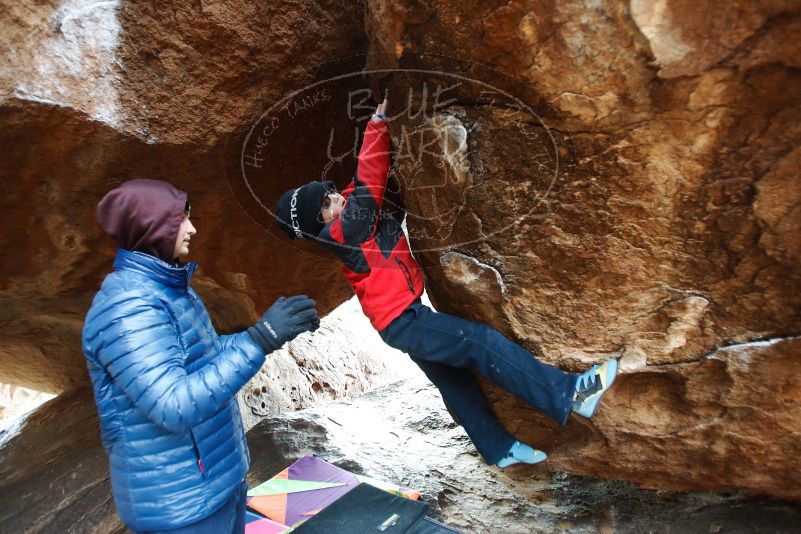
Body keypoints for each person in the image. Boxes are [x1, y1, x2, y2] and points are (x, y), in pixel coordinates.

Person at [275, 99, 618, 468]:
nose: (336, 197)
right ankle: (570, 395)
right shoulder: (343, 230)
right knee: (480, 343)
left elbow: (356, 187)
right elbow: (368, 181)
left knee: (455, 382)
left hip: (399, 320)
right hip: (404, 321)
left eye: (330, 192)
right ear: (320, 224)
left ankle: (498, 448)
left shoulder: (342, 219)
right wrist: (378, 122)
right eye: (327, 202)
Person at [82, 179, 318, 533]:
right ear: (151, 227)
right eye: (182, 221)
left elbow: (206, 356)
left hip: (216, 483)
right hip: (182, 506)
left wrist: (271, 332)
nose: (193, 229)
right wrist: (259, 340)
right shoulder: (128, 310)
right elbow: (173, 405)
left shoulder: (170, 291)